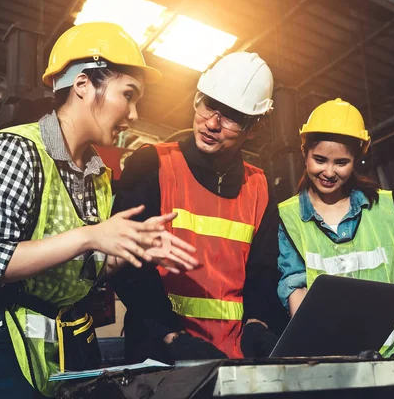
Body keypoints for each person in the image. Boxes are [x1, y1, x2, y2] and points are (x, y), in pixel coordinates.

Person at [0, 22, 198, 398]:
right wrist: (92, 235)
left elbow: (81, 271)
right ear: (82, 85)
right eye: (128, 94)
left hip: (46, 334)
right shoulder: (17, 150)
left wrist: (126, 251)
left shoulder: (97, 176)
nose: (134, 113)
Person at [110, 52, 288, 363]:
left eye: (231, 116)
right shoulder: (151, 164)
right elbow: (127, 264)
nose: (212, 123)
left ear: (255, 128)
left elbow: (264, 270)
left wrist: (258, 323)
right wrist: (170, 335)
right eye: (208, 105)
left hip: (234, 355)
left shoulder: (259, 186)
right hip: (159, 351)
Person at [277, 98, 394, 357]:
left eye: (341, 162)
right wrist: (319, 347)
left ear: (356, 160)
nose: (329, 171)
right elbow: (295, 289)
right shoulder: (290, 216)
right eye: (319, 159)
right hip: (331, 360)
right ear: (304, 153)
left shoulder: (383, 207)